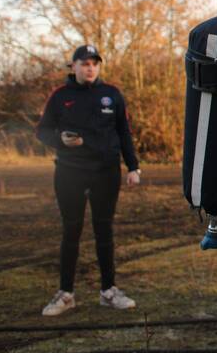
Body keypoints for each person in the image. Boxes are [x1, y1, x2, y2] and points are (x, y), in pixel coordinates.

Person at [35, 45, 141, 315]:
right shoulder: (61, 96)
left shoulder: (112, 94)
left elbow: (124, 132)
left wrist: (133, 166)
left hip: (106, 172)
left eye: (94, 63)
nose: (90, 67)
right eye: (84, 63)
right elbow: (43, 131)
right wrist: (60, 140)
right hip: (70, 172)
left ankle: (109, 291)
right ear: (73, 67)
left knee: (104, 230)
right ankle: (66, 293)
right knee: (71, 230)